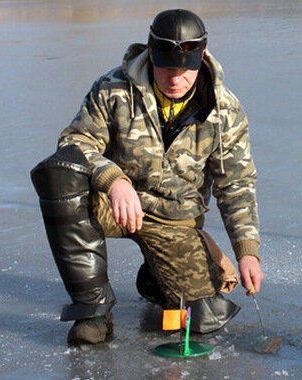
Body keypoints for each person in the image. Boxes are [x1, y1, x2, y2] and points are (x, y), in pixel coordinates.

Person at [31, 9, 263, 346]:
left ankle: (157, 276)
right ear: (151, 52)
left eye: (185, 69)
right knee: (59, 174)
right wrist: (113, 179)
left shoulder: (224, 109)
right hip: (114, 204)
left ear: (202, 55)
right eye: (167, 66)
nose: (175, 77)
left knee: (204, 317)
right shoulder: (113, 90)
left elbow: (236, 184)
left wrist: (247, 251)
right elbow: (74, 143)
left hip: (174, 219)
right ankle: (92, 312)